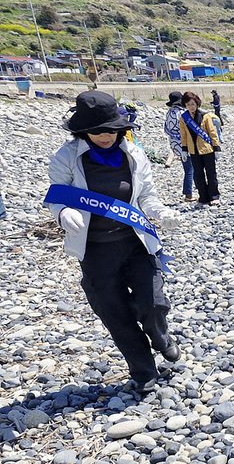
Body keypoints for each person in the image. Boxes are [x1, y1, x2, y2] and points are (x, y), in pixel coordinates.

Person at [45, 91, 180, 393]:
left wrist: (161, 212)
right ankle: (143, 371)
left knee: (153, 302)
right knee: (114, 312)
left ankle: (161, 337)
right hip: (94, 250)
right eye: (97, 131)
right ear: (83, 131)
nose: (106, 136)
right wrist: (62, 213)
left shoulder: (134, 153)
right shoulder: (67, 156)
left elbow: (147, 196)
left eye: (111, 130)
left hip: (135, 243)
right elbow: (57, 194)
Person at [178, 91, 221, 206]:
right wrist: (184, 149)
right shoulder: (184, 118)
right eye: (188, 104)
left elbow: (212, 132)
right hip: (193, 151)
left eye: (192, 104)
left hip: (207, 149)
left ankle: (214, 196)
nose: (191, 107)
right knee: (198, 175)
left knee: (211, 174)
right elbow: (183, 135)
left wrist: (216, 148)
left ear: (197, 103)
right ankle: (203, 197)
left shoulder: (205, 116)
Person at [163, 90, 195, 202]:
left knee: (188, 167)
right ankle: (188, 194)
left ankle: (191, 191)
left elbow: (166, 129)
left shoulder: (169, 113)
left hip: (174, 144)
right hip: (185, 143)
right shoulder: (182, 113)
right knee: (190, 169)